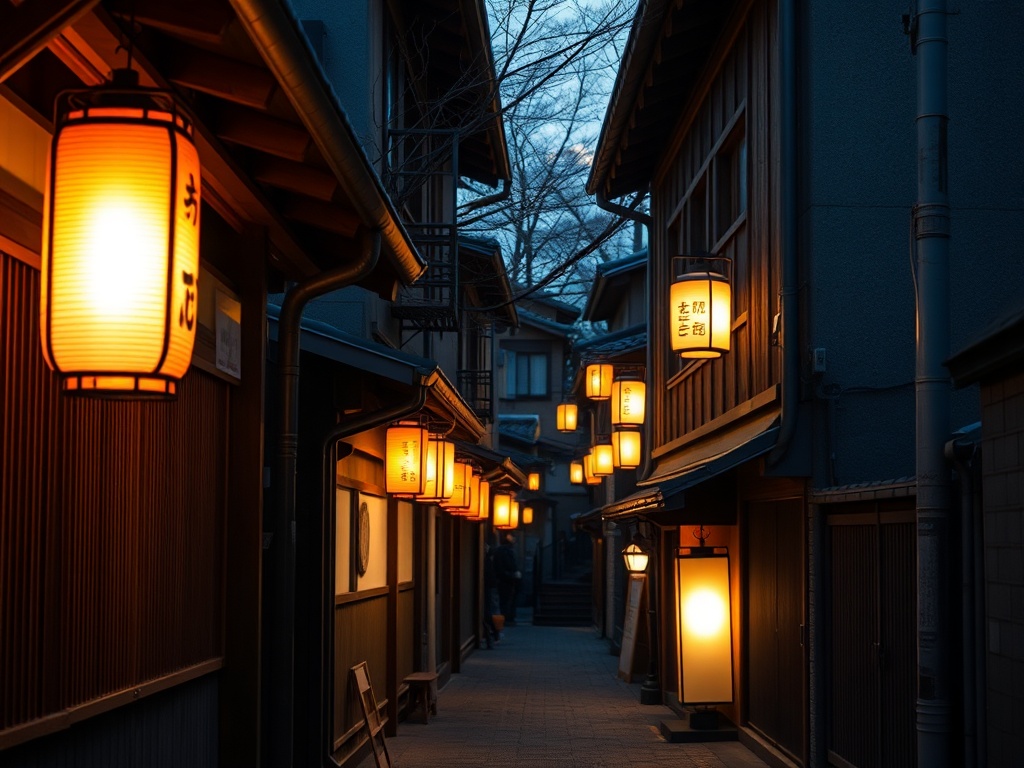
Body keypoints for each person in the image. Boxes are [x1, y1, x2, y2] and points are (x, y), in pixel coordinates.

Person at [495, 533, 521, 626]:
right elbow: (501, 568)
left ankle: (508, 618)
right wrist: (512, 575)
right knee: (506, 600)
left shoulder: (507, 551)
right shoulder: (503, 551)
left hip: (508, 579)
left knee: (508, 600)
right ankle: (506, 619)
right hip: (506, 580)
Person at [482, 543, 501, 647]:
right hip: (489, 588)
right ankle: (494, 632)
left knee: (489, 611)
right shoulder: (488, 561)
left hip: (488, 588)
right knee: (491, 611)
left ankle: (494, 633)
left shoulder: (488, 561)